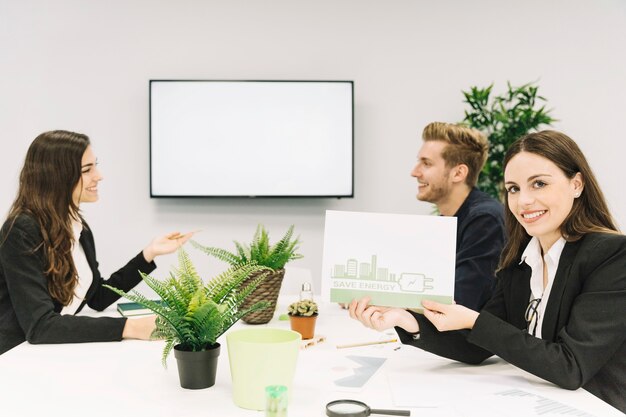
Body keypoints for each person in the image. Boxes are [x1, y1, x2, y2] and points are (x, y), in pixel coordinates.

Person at [349, 130, 626, 412]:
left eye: (539, 184)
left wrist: (473, 319)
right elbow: (477, 346)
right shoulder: (521, 259)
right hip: (539, 401)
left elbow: (571, 366)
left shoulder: (612, 255)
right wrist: (405, 320)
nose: (524, 201)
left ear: (576, 184)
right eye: (514, 189)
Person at [0, 130, 192, 355]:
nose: (98, 175)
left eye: (95, 166)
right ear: (58, 176)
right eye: (87, 170)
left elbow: (97, 297)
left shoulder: (78, 228)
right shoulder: (21, 230)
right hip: (16, 357)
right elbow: (40, 326)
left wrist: (149, 254)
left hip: (50, 352)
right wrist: (132, 327)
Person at [411, 122, 505, 310]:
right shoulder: (446, 221)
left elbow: (460, 302)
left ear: (458, 173)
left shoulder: (486, 221)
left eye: (426, 163)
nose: (414, 172)